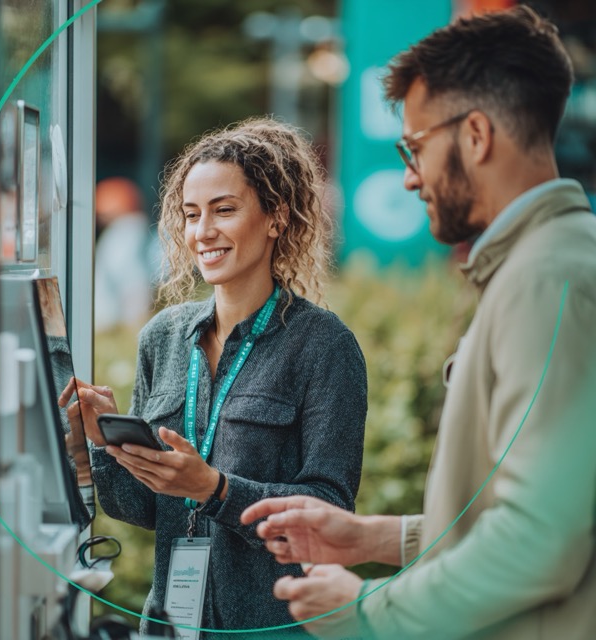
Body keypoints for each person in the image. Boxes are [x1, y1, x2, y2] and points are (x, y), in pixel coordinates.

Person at [242, 6, 596, 640]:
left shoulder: (547, 280)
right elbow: (547, 507)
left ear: (477, 135)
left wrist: (369, 612)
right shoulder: (547, 266)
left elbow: (541, 539)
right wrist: (370, 538)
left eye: (416, 146)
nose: (408, 176)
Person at [61, 117, 367, 638]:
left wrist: (217, 490)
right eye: (191, 214)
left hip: (271, 626)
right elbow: (144, 509)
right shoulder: (162, 336)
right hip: (171, 623)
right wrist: (104, 445)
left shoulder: (325, 346)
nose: (203, 231)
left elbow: (331, 512)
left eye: (224, 210)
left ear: (276, 218)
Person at [94, 177, 159, 331]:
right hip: (113, 323)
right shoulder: (130, 229)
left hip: (113, 323)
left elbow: (133, 281)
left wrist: (135, 325)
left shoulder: (126, 230)